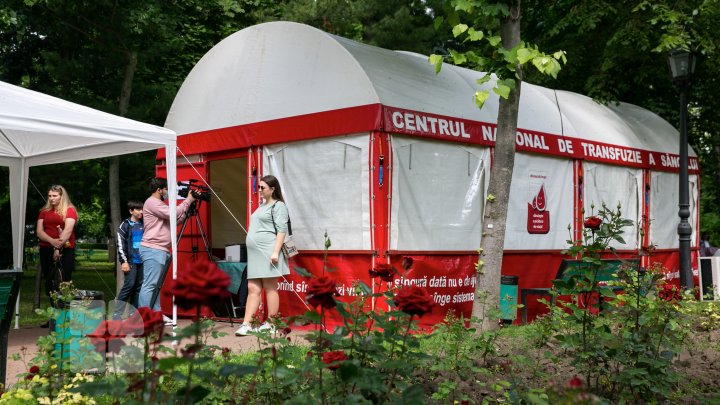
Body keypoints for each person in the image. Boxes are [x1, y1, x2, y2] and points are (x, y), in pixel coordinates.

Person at [235, 175, 290, 336]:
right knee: (253, 288)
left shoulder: (279, 206)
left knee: (270, 287)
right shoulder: (261, 206)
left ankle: (272, 323)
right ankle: (247, 324)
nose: (259, 190)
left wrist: (275, 252)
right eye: (258, 187)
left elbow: (281, 230)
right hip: (255, 253)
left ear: (272, 189)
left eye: (262, 188)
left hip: (268, 251)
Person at [138, 178, 195, 323]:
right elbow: (173, 214)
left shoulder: (158, 204)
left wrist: (187, 209)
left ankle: (157, 314)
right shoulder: (152, 202)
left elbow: (176, 219)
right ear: (159, 190)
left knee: (156, 285)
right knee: (149, 284)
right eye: (165, 190)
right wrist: (187, 200)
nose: (167, 193)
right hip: (152, 248)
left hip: (160, 249)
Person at [36, 185, 77, 306]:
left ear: (61, 196)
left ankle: (65, 315)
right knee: (50, 282)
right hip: (46, 248)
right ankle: (54, 314)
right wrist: (51, 241)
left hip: (66, 248)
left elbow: (68, 230)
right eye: (49, 196)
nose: (51, 198)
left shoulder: (70, 210)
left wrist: (57, 247)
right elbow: (39, 231)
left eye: (54, 196)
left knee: (65, 281)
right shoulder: (44, 211)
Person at [113, 201, 144, 319]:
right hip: (130, 262)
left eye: (142, 209)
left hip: (142, 262)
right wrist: (124, 261)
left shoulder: (144, 224)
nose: (141, 211)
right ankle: (117, 314)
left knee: (138, 288)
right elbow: (120, 245)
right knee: (129, 286)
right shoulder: (125, 225)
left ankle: (133, 315)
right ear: (131, 211)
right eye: (138, 209)